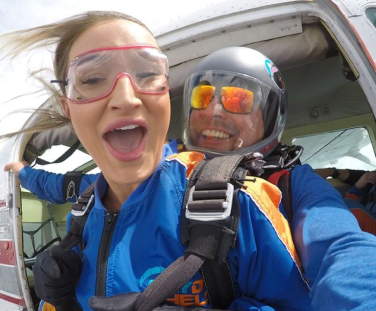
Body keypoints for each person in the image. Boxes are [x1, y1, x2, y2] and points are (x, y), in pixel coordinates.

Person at [2, 12, 376, 311]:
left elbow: (341, 249)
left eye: (237, 100)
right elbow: (71, 185)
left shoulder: (275, 190)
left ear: (270, 116)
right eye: (203, 97)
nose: (214, 111)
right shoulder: (114, 190)